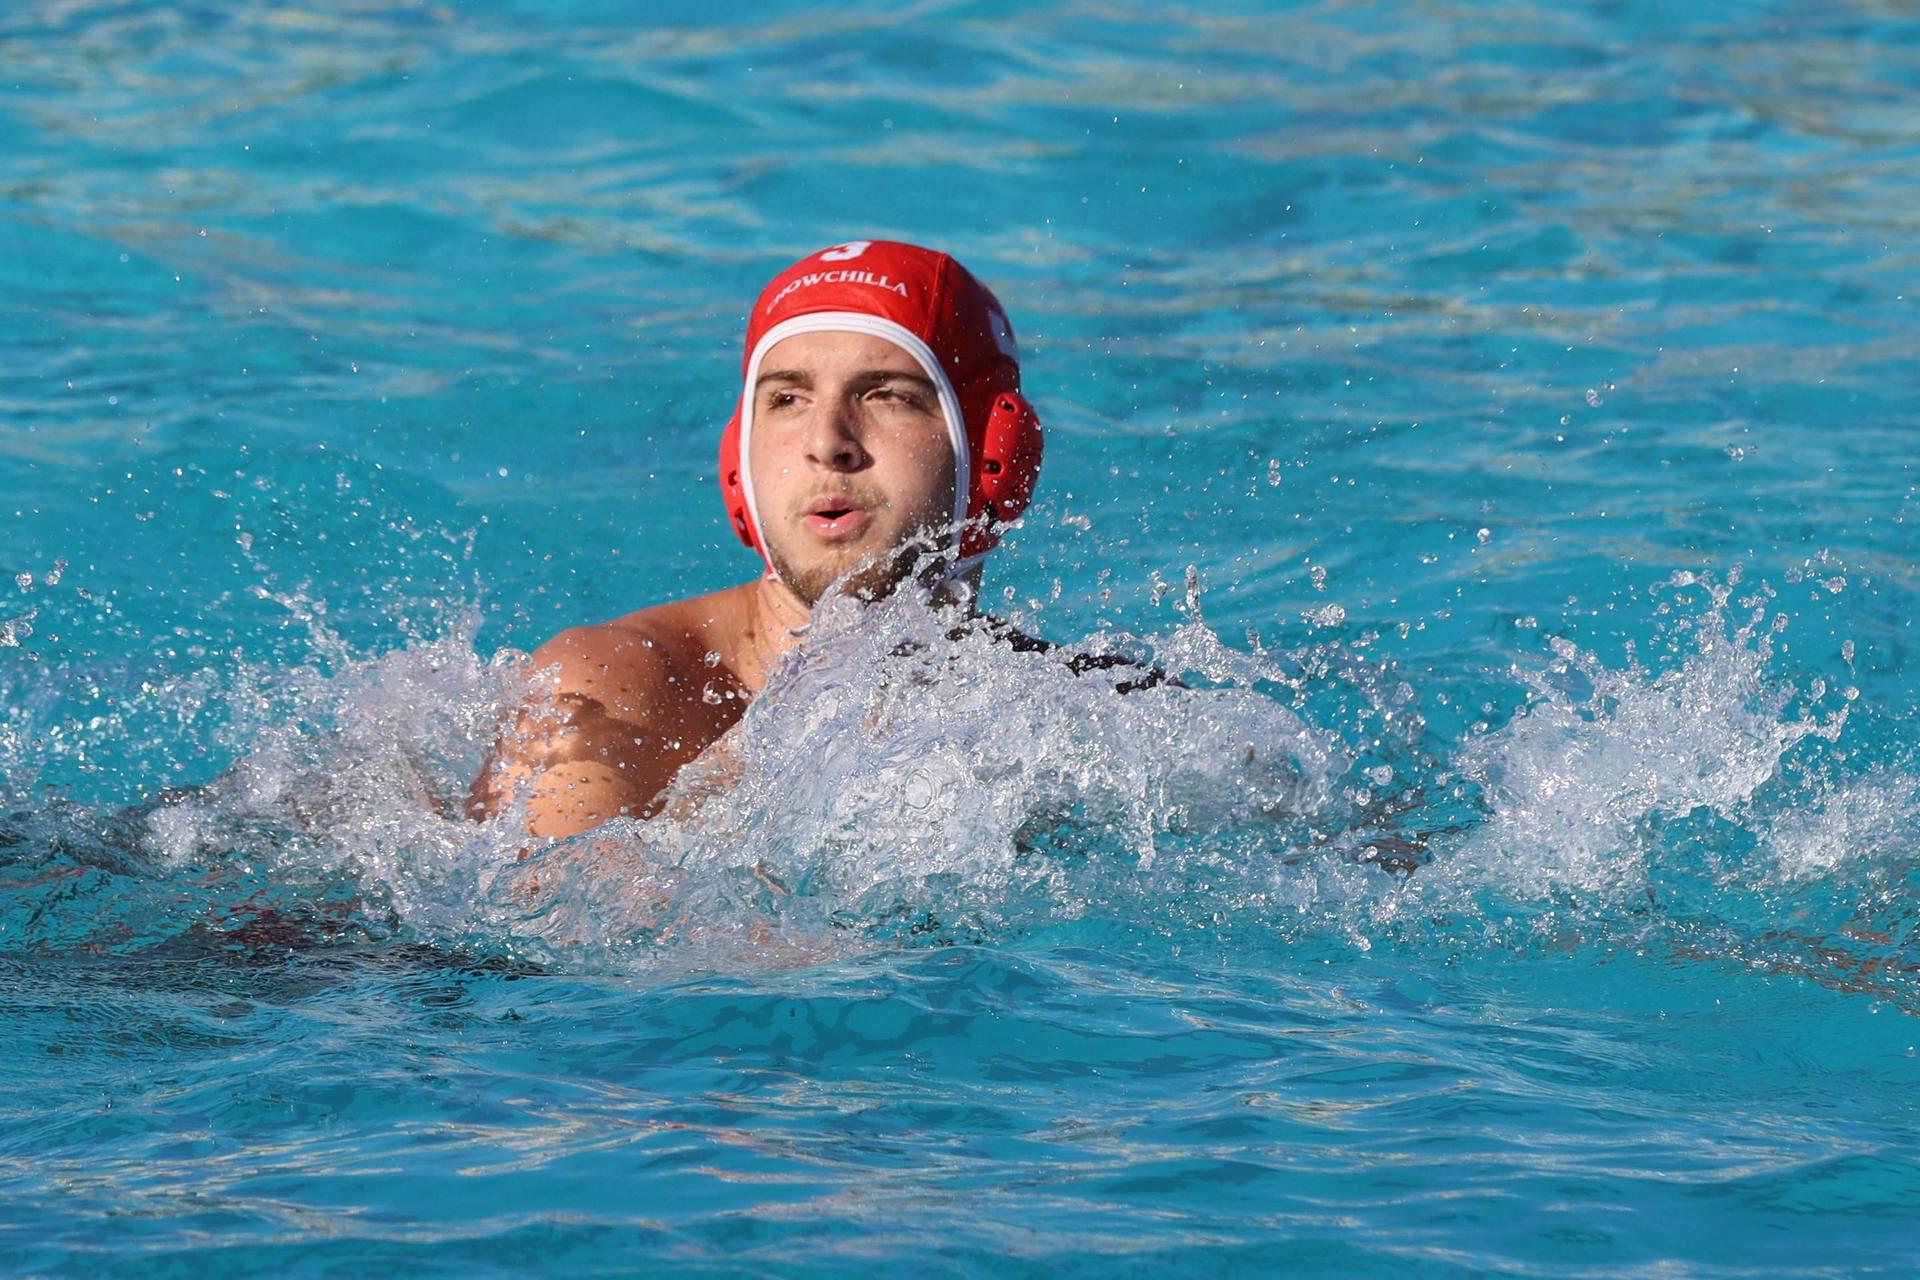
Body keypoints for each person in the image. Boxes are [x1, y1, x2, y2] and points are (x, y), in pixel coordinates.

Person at [466, 240, 1045, 840]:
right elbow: (550, 919)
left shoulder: (1079, 708)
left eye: (887, 394)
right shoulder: (605, 689)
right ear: (738, 460)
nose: (828, 442)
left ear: (994, 452)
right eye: (787, 398)